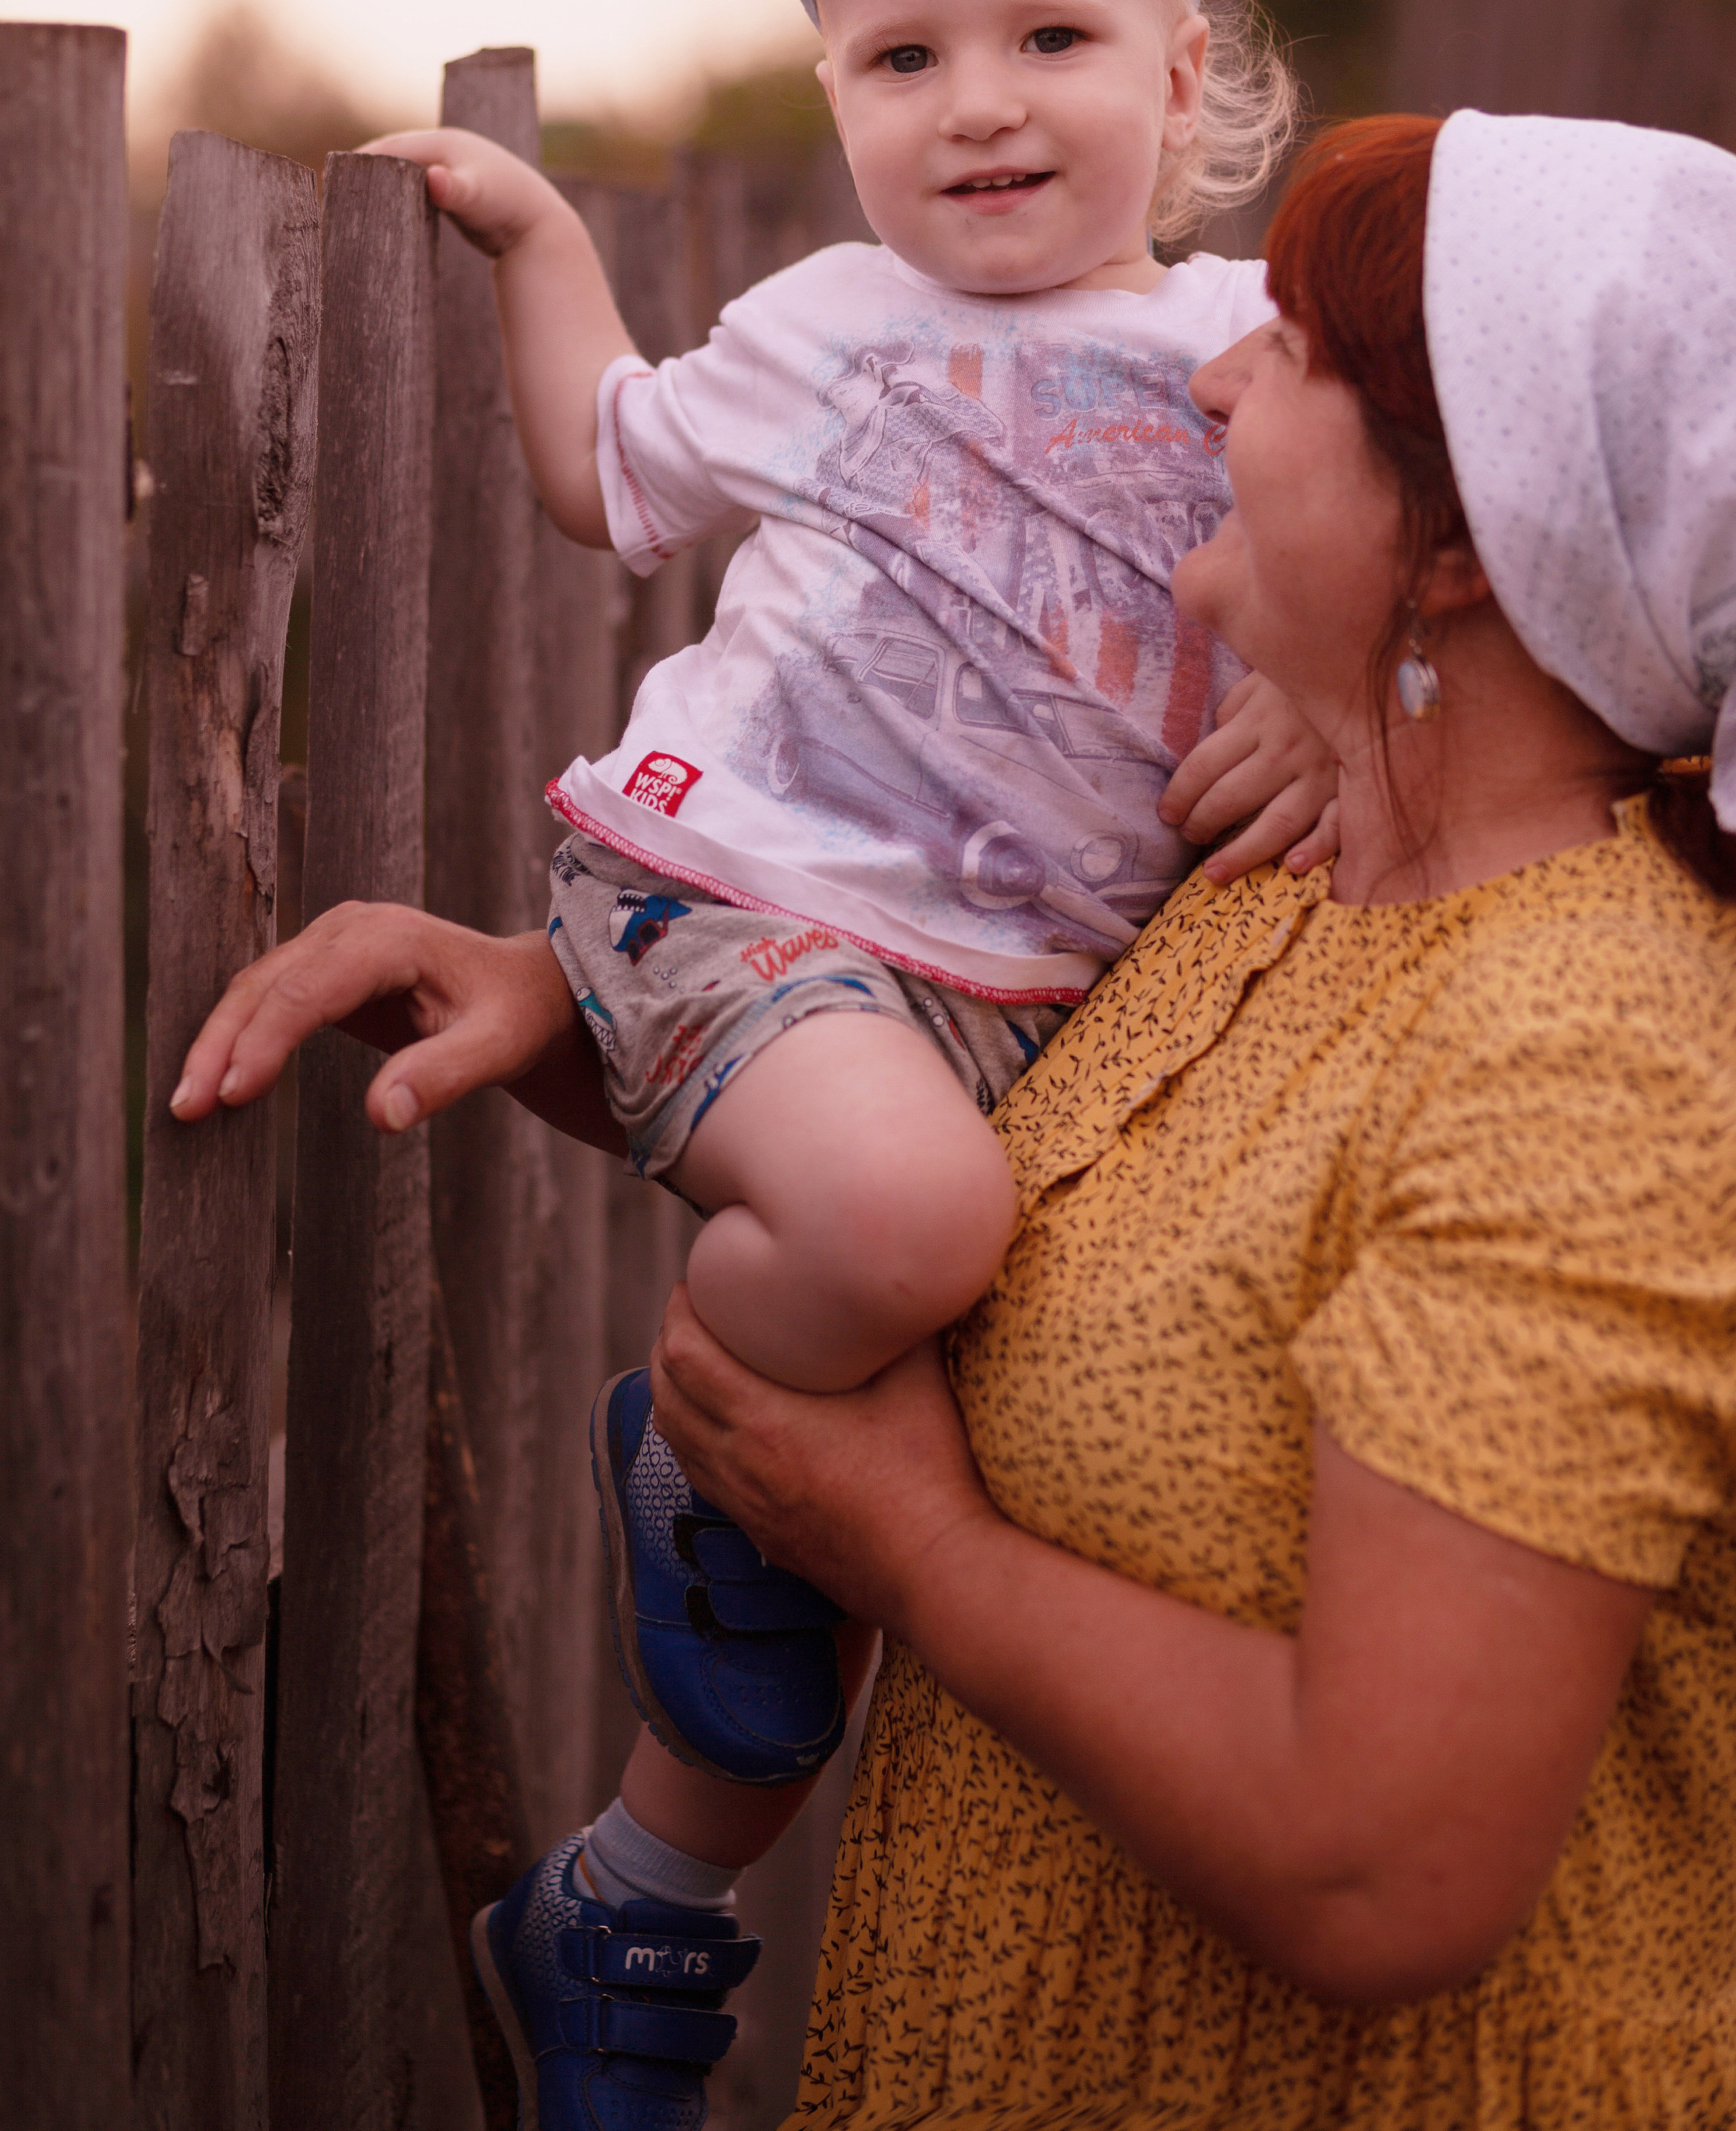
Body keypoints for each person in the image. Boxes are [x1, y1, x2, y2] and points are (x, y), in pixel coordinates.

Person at [313, 0, 1335, 2124]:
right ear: (838, 94)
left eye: (1050, 43)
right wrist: (545, 251)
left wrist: (1321, 688)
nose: (976, 107)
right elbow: (606, 474)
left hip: (1012, 1005)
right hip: (730, 900)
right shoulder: (828, 323)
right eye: (904, 58)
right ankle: (703, 1429)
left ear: (1183, 76)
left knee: (819, 1612)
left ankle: (636, 1918)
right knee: (894, 1239)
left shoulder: (1266, 356)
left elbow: (1567, 515)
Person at [629, 107, 1736, 2128]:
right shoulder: (1289, 879)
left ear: (1469, 542)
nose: (1214, 366)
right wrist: (547, 1001)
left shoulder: (1589, 1051)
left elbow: (1378, 1860)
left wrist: (908, 1543)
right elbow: (990, 1153)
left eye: (1297, 348)